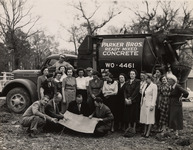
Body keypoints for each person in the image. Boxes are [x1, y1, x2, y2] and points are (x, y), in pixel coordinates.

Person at [123, 69, 140, 136]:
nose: (132, 75)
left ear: (135, 75)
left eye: (133, 74)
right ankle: (129, 127)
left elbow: (136, 91)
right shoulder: (127, 82)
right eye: (131, 74)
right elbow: (125, 91)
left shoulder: (137, 82)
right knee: (128, 114)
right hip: (127, 100)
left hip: (134, 101)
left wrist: (131, 99)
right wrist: (126, 98)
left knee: (134, 114)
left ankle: (134, 128)